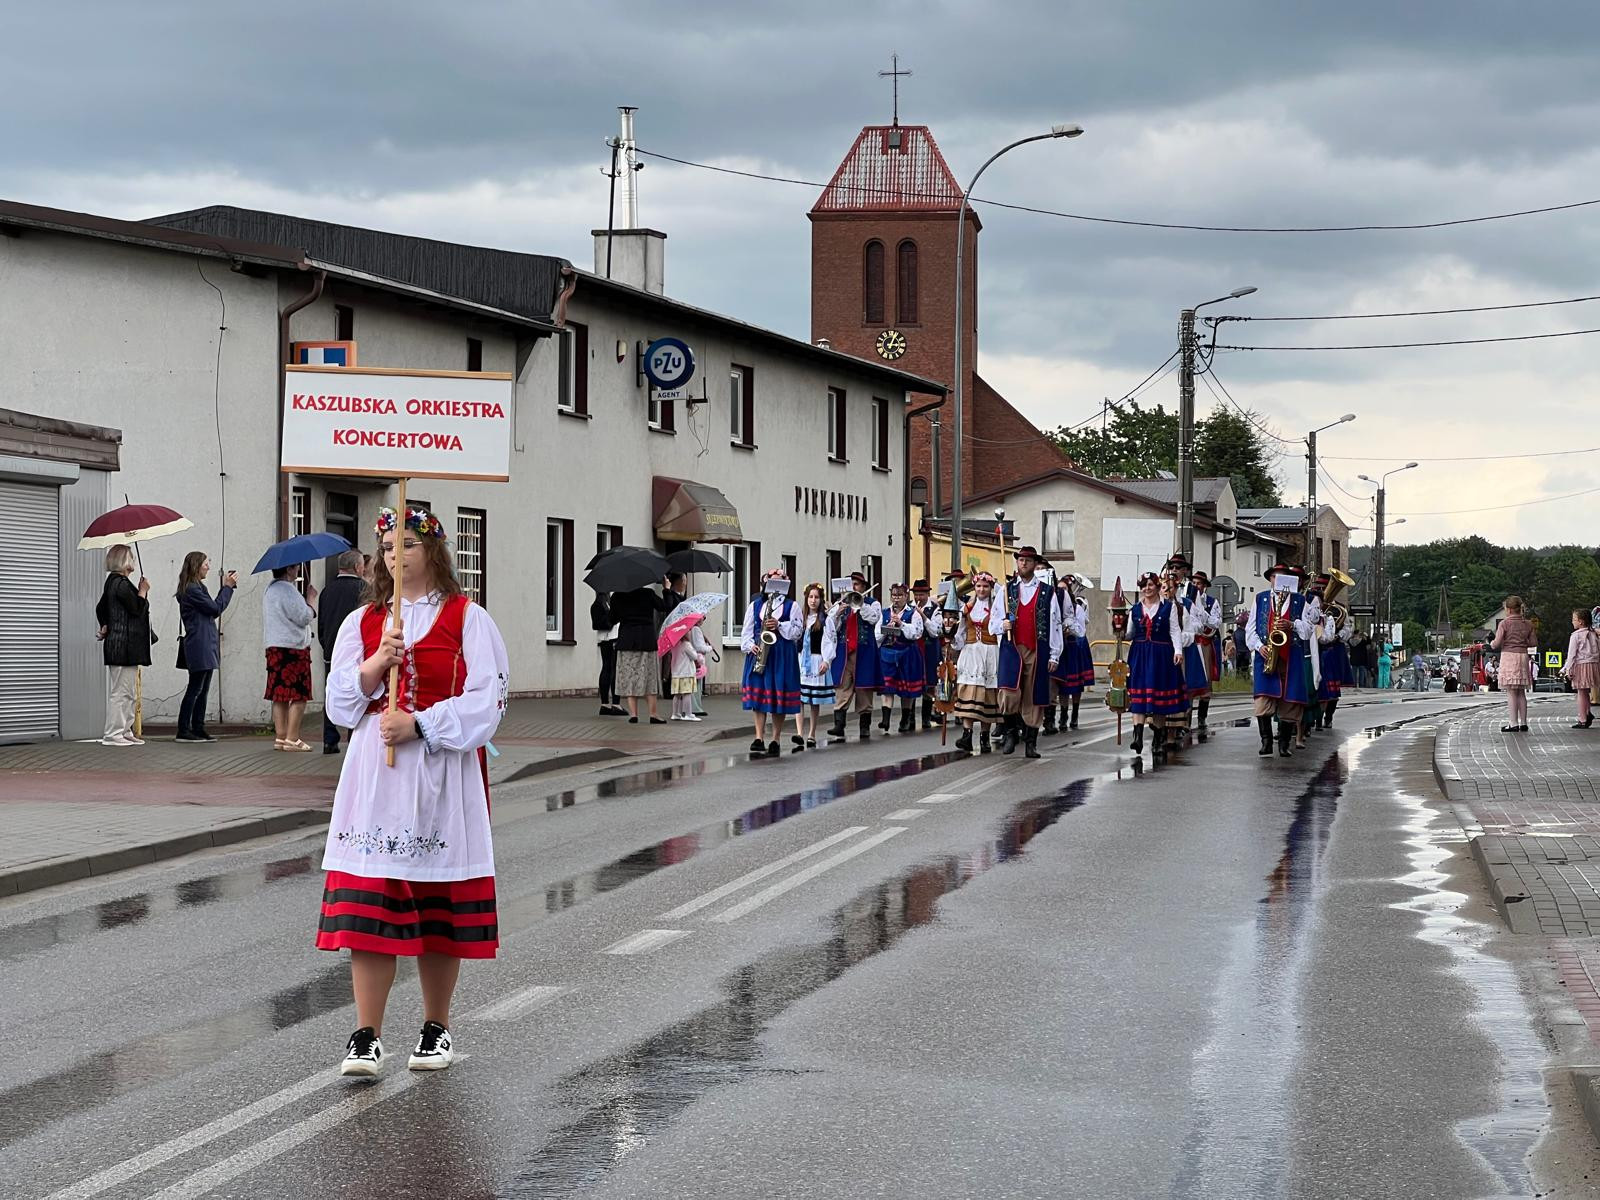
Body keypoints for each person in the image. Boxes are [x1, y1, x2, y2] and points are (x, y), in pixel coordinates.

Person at [317, 504, 510, 1077]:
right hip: (376, 780)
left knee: (437, 906)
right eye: (386, 547)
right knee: (371, 904)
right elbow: (339, 706)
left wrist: (421, 725)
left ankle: (435, 1026)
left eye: (406, 544)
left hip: (440, 776)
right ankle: (366, 1034)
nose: (394, 556)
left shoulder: (468, 619)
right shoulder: (364, 622)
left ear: (433, 551)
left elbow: (489, 701)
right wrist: (377, 664)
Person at [997, 546, 1062, 759]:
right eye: (1020, 560)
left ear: (1035, 564)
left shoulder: (1047, 592)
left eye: (1027, 560)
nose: (1023, 563)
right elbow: (993, 621)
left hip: (1037, 649)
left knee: (1033, 695)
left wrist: (1054, 654)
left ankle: (1031, 742)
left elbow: (1055, 624)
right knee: (1008, 692)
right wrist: (1002, 625)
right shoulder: (1006, 590)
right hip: (1012, 648)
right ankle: (1010, 732)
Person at [1247, 563, 1315, 758]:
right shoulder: (1260, 598)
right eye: (1275, 576)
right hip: (1266, 655)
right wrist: (1259, 646)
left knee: (1290, 700)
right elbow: (1251, 629)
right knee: (1263, 699)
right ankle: (1266, 741)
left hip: (1291, 655)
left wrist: (1292, 624)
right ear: (1270, 579)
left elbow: (1308, 630)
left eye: (1283, 576)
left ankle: (1284, 744)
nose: (1278, 580)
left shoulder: (1300, 600)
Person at [175, 551, 237, 743]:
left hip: (204, 643)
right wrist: (227, 588)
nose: (208, 567)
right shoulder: (193, 589)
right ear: (196, 566)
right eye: (205, 563)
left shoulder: (197, 587)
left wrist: (226, 589)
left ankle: (198, 727)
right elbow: (215, 609)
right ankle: (184, 730)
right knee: (195, 688)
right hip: (200, 644)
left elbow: (211, 608)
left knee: (202, 689)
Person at [740, 568, 802, 757]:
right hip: (760, 653)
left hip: (782, 655)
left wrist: (779, 625)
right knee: (759, 697)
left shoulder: (792, 606)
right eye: (772, 581)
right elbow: (746, 632)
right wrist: (750, 645)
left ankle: (776, 738)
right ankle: (759, 737)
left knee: (778, 696)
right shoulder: (756, 605)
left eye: (779, 582)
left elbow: (797, 632)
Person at [1125, 571, 1186, 759]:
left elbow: (1175, 630)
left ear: (1158, 587)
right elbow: (1129, 634)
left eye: (1150, 585)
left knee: (1160, 699)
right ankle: (1137, 736)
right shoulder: (1135, 609)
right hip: (1140, 654)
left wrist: (1178, 651)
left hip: (1161, 655)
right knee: (1138, 696)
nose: (1147, 588)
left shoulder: (1168, 607)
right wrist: (1117, 628)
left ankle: (1158, 738)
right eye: (1144, 586)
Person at [96, 544, 151, 747]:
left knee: (128, 692)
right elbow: (136, 609)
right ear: (124, 561)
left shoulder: (114, 582)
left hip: (124, 645)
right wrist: (143, 591)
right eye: (131, 558)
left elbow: (101, 608)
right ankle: (113, 733)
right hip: (123, 646)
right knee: (121, 692)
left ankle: (125, 730)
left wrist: (105, 624)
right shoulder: (120, 583)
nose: (134, 561)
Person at [823, 571, 883, 742]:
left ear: (863, 587)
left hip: (864, 651)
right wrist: (837, 613)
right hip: (844, 652)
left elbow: (873, 619)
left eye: (856, 585)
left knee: (864, 688)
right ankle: (839, 725)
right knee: (842, 687)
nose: (853, 588)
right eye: (851, 585)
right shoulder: (840, 604)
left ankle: (864, 727)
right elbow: (831, 628)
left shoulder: (873, 603)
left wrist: (859, 603)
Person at [263, 563, 317, 751]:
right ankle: (293, 738)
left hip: (275, 647)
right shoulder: (288, 590)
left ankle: (281, 736)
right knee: (299, 694)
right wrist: (310, 601)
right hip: (293, 649)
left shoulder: (270, 590)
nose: (298, 570)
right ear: (288, 569)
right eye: (295, 567)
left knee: (280, 695)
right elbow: (304, 617)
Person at [950, 571, 1006, 753]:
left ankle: (984, 737)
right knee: (968, 693)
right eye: (979, 586)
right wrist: (951, 637)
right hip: (971, 653)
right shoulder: (967, 608)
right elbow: (961, 633)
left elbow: (1000, 634)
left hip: (990, 654)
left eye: (985, 586)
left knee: (987, 695)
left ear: (991, 588)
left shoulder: (997, 608)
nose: (982, 589)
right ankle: (967, 735)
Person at [317, 551, 366, 754]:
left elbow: (321, 623)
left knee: (332, 693)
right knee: (359, 693)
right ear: (357, 567)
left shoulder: (326, 590)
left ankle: (329, 740)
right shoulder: (364, 589)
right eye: (362, 566)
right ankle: (353, 738)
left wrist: (326, 645)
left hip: (331, 650)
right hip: (358, 652)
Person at [610, 578, 673, 724]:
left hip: (627, 641)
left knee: (630, 678)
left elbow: (612, 619)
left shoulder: (617, 596)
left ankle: (633, 715)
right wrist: (667, 590)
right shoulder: (648, 594)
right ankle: (653, 714)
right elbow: (665, 607)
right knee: (649, 678)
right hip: (646, 640)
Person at [876, 582, 926, 734]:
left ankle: (905, 719)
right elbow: (877, 636)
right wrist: (887, 628)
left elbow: (917, 633)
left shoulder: (913, 613)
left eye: (899, 595)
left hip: (907, 653)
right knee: (887, 687)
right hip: (888, 653)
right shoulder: (885, 613)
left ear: (906, 596)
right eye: (894, 595)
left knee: (907, 689)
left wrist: (901, 624)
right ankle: (885, 719)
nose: (896, 599)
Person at [1048, 574, 1095, 732]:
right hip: (1059, 648)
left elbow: (1081, 630)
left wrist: (1069, 630)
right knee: (1061, 684)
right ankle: (1062, 716)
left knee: (1074, 685)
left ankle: (1074, 714)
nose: (1061, 591)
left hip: (1073, 646)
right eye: (1059, 588)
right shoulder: (1052, 605)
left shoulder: (1077, 608)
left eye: (1064, 589)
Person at [1490, 597, 1536, 733]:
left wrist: (1491, 643)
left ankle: (1513, 723)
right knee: (1521, 691)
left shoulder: (1504, 623)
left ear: (1509, 609)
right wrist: (1523, 643)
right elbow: (1533, 642)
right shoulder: (1528, 623)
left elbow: (1497, 643)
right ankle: (1524, 723)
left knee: (1511, 691)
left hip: (1509, 657)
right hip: (1523, 657)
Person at [797, 583, 832, 748]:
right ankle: (799, 733)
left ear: (821, 600)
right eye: (810, 597)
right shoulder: (800, 618)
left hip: (816, 659)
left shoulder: (825, 620)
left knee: (813, 699)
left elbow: (830, 640)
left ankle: (811, 733)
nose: (813, 600)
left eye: (816, 597)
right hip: (801, 660)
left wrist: (827, 660)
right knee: (799, 698)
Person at [912, 579, 944, 730]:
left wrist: (923, 617)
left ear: (927, 594)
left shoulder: (935, 609)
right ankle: (910, 719)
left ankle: (926, 718)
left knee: (930, 683)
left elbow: (936, 631)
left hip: (930, 649)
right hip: (914, 649)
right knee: (912, 683)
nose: (918, 598)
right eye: (916, 594)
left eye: (922, 595)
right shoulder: (909, 607)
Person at [1562, 608, 1599, 729]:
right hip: (1593, 665)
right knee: (1586, 691)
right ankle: (1587, 713)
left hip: (1581, 666)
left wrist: (1567, 669)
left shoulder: (1576, 635)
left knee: (1581, 693)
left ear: (1581, 622)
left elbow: (1572, 655)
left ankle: (1583, 718)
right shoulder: (1594, 633)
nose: (1572, 621)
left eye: (1574, 619)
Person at [669, 620, 710, 722]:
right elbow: (694, 656)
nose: (690, 632)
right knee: (687, 693)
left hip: (676, 673)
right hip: (686, 673)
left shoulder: (674, 645)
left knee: (677, 694)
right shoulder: (686, 644)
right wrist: (700, 656)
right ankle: (688, 714)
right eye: (688, 631)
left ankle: (675, 714)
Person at [590, 590, 624, 716]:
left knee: (606, 668)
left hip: (603, 639)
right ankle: (616, 704)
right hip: (612, 638)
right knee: (614, 669)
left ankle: (604, 703)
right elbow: (612, 619)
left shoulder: (597, 603)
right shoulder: (607, 603)